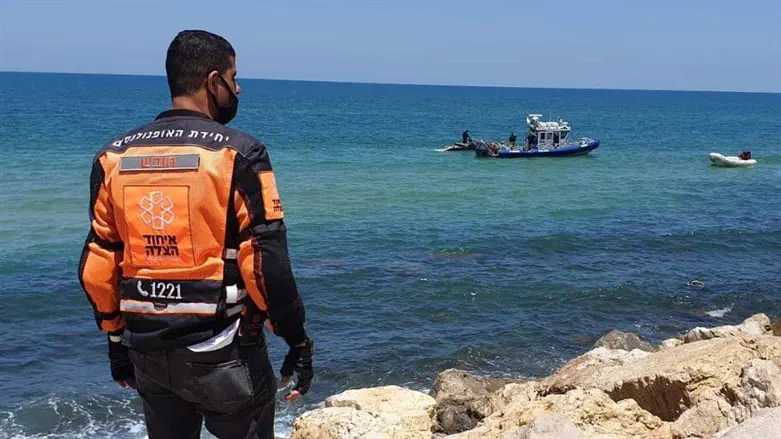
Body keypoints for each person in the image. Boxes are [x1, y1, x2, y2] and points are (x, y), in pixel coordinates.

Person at [78, 30, 313, 439]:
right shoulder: (239, 153)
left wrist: (115, 340)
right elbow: (266, 263)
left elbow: (99, 264)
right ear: (213, 81)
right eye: (234, 78)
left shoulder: (113, 156)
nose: (238, 89)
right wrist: (297, 342)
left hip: (147, 351)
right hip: (223, 351)